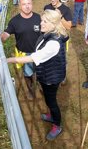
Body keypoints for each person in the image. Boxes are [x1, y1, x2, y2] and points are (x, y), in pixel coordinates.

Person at [7, 9, 69, 141]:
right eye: (42, 20)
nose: (41, 23)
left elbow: (34, 57)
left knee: (51, 102)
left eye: (45, 21)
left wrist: (11, 60)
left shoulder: (53, 43)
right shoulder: (48, 33)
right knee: (47, 98)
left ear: (53, 24)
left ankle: (57, 124)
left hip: (51, 77)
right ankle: (52, 116)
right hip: (46, 73)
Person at [1, 0, 41, 100]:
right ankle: (30, 89)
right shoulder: (14, 21)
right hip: (24, 54)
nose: (27, 6)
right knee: (27, 74)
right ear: (19, 6)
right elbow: (6, 33)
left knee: (40, 72)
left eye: (29, 3)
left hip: (39, 53)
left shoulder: (39, 18)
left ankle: (40, 84)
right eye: (24, 4)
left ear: (32, 4)